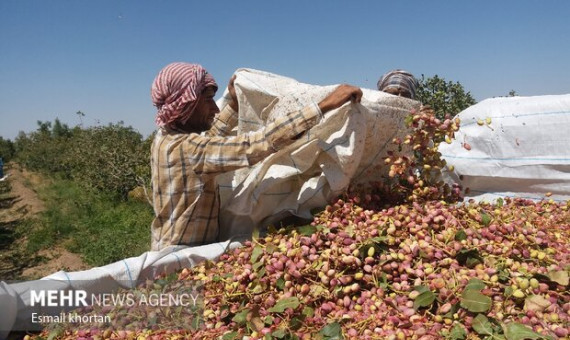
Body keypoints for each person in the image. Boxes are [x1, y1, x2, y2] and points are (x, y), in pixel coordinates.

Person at [150, 62, 362, 251]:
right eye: (207, 100)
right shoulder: (186, 149)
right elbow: (256, 144)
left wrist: (233, 105)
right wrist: (323, 106)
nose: (215, 108)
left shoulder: (166, 138)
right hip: (177, 256)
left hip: (177, 246)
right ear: (185, 104)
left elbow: (210, 141)